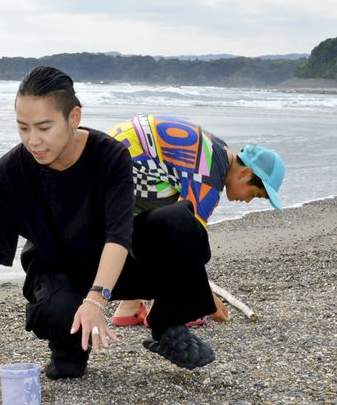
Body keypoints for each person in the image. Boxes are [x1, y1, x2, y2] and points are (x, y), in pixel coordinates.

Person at [0, 66, 219, 379]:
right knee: (67, 360)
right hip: (57, 269)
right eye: (23, 128)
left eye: (44, 127)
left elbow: (119, 235)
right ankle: (68, 350)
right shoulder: (8, 174)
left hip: (114, 260)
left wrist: (97, 298)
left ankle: (168, 326)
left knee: (180, 223)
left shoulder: (110, 156)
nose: (33, 141)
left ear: (73, 118)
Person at [107, 115, 285, 326]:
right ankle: (168, 306)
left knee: (172, 211)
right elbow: (185, 244)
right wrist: (204, 299)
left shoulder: (218, 149)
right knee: (179, 224)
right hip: (115, 179)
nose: (247, 200)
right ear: (245, 173)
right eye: (254, 194)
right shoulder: (209, 178)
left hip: (108, 167)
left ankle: (130, 305)